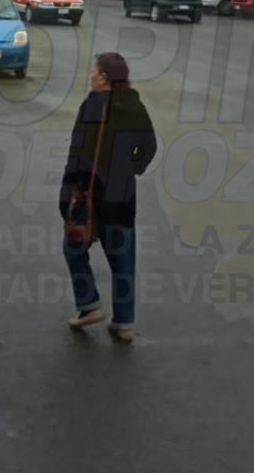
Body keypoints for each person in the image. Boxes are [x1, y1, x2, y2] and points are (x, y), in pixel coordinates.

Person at [59, 53, 157, 344]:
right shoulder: (135, 107)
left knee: (73, 248)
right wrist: (130, 166)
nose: (91, 75)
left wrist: (66, 195)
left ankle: (89, 304)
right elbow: (147, 147)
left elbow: (77, 154)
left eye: (94, 71)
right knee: (123, 262)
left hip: (90, 197)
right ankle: (124, 324)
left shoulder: (92, 105)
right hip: (122, 198)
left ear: (104, 77)